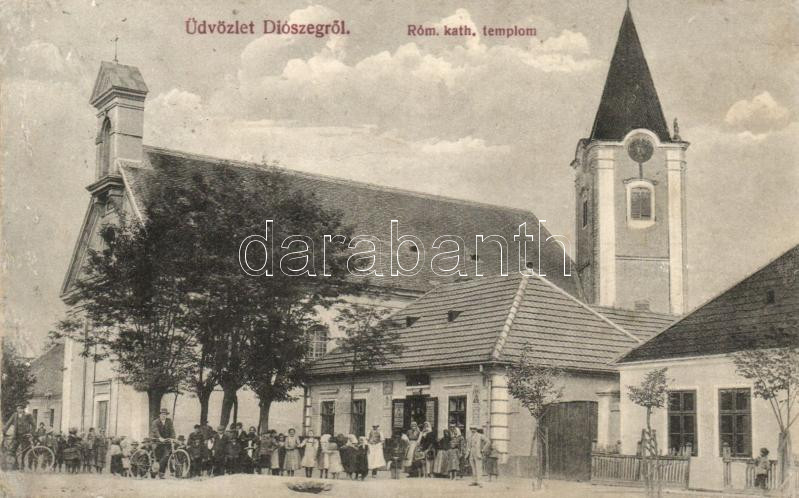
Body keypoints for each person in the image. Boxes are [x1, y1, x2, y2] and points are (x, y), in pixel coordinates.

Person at [149, 408, 176, 478]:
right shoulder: (155, 422)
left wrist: (173, 438)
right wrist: (159, 438)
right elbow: (156, 431)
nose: (164, 415)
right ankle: (154, 471)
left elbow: (172, 430)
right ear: (160, 415)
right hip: (156, 441)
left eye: (165, 414)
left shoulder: (169, 421)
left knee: (166, 456)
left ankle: (161, 473)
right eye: (162, 414)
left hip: (165, 442)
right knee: (158, 457)